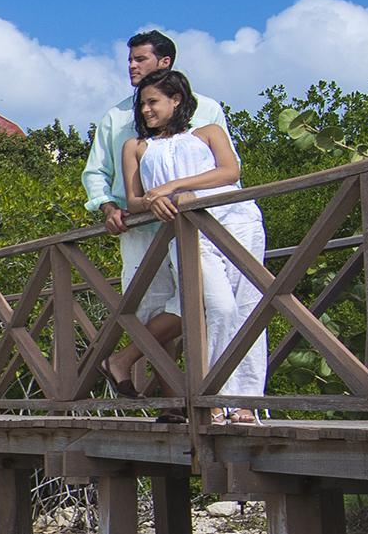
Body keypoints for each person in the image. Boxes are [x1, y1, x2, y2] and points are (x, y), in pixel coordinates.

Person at [107, 67, 270, 417]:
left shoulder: (208, 132)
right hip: (187, 230)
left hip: (236, 218)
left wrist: (171, 188)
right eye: (142, 105)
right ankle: (214, 398)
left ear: (176, 99)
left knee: (247, 308)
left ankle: (245, 402)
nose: (146, 110)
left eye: (153, 102)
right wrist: (153, 200)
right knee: (218, 306)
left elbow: (230, 173)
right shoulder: (135, 146)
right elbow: (134, 199)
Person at [80, 28, 176, 242]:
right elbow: (95, 172)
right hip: (138, 228)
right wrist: (110, 209)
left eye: (140, 59)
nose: (132, 66)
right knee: (143, 277)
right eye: (130, 60)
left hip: (194, 221)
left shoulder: (205, 109)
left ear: (165, 61)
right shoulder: (115, 117)